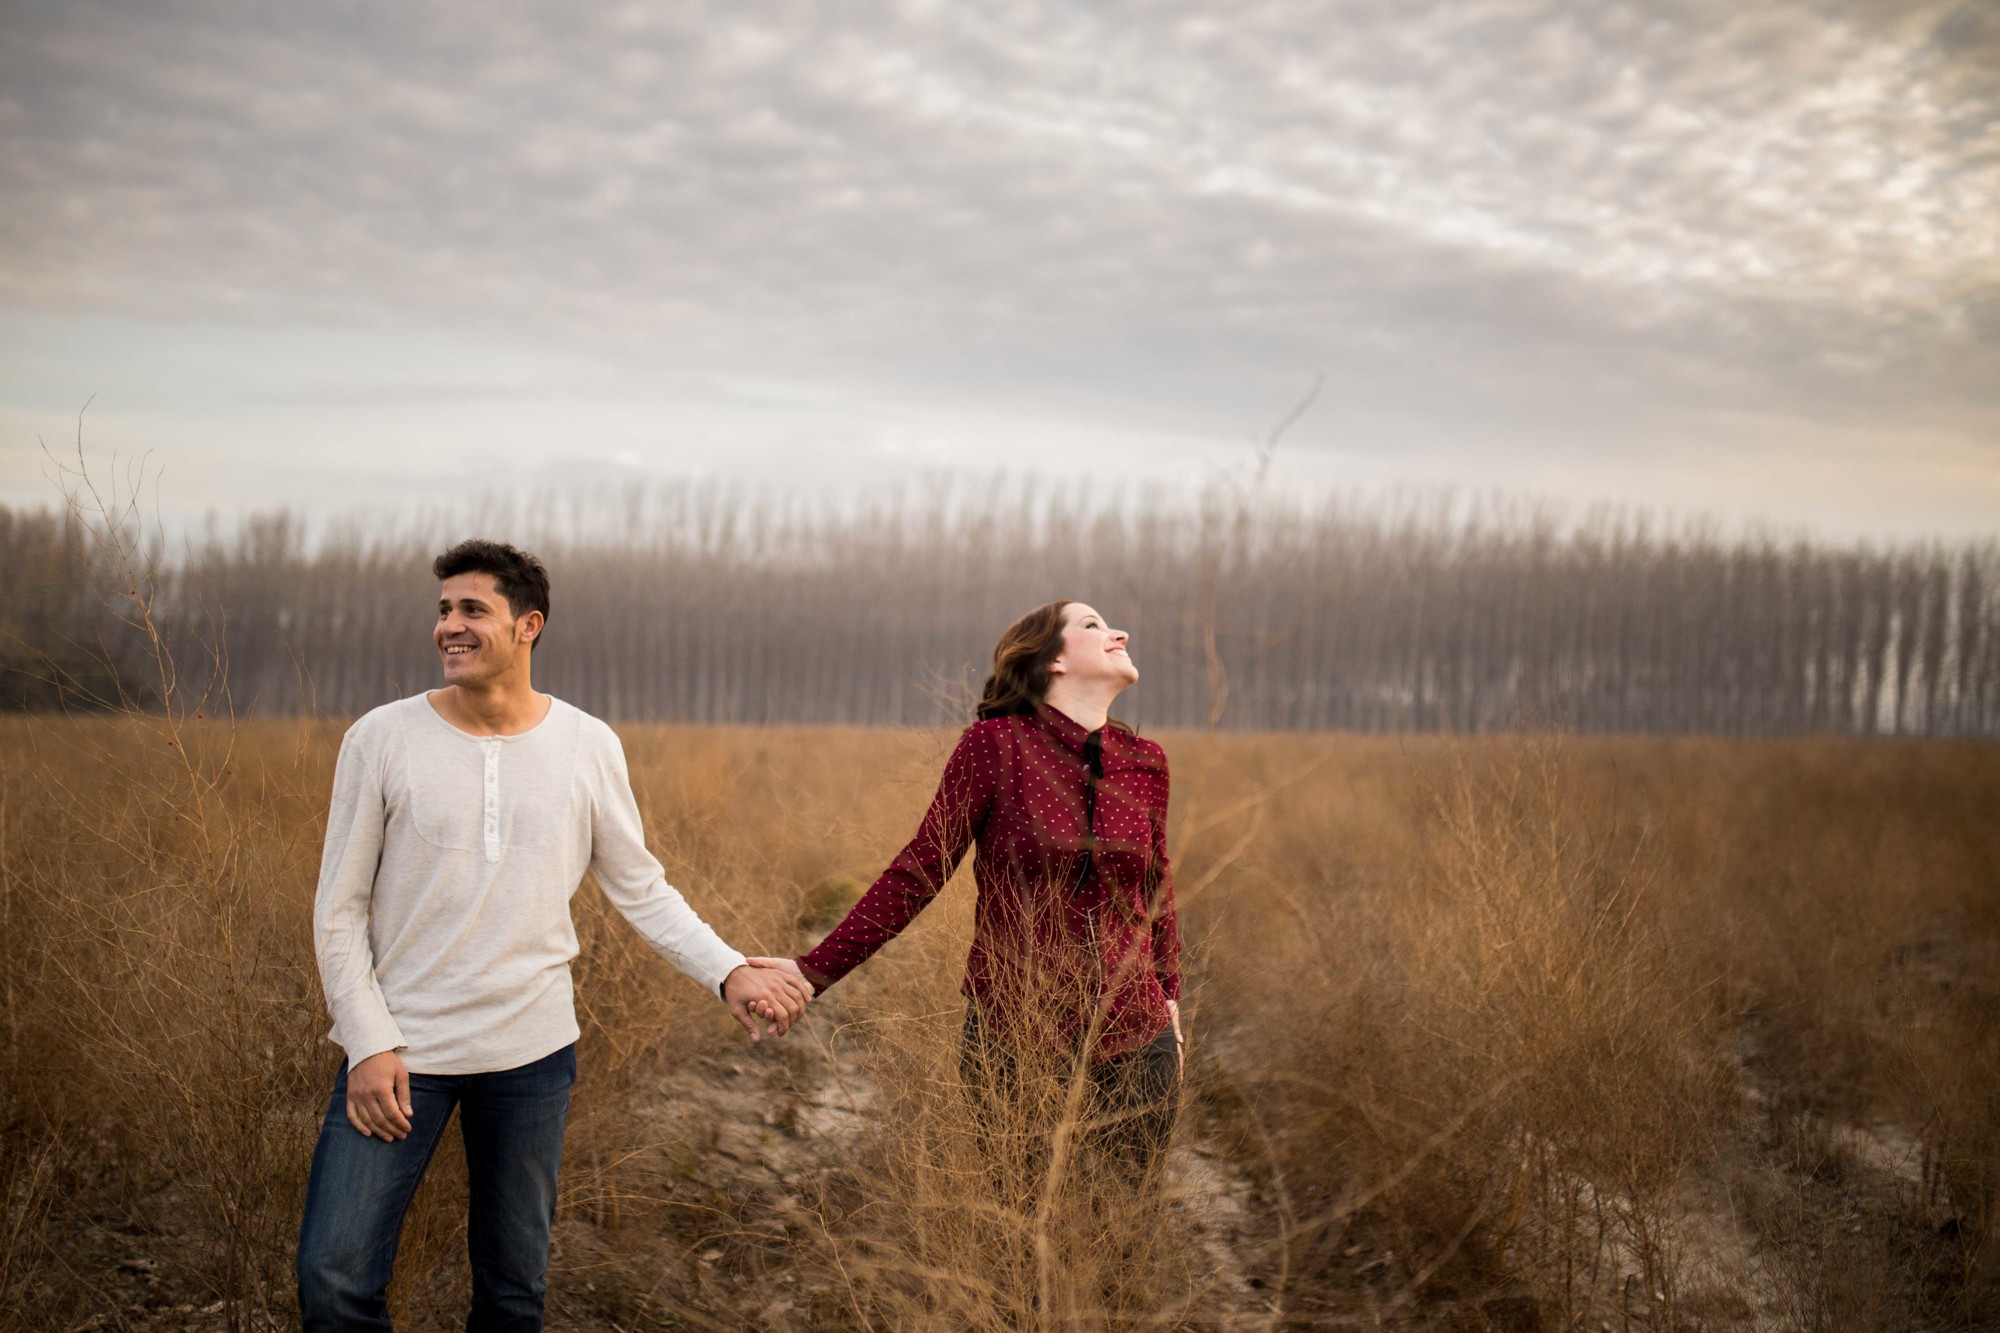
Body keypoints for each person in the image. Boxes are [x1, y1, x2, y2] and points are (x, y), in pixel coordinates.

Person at [295, 539, 813, 1332]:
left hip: (531, 1057)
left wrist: (729, 970)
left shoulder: (586, 744)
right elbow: (338, 909)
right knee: (334, 1278)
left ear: (528, 625)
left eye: (473, 610)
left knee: (512, 1291)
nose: (449, 627)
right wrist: (366, 1042)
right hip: (404, 1054)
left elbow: (641, 887)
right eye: (443, 610)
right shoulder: (382, 738)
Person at [795, 600, 1184, 1185]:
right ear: (1052, 659)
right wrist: (811, 973)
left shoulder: (1146, 762)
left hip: (1136, 1035)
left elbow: (1158, 893)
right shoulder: (994, 746)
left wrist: (1170, 1006)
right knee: (1021, 1223)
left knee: (1122, 1227)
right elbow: (919, 871)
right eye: (1092, 625)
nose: (1118, 632)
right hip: (1017, 1032)